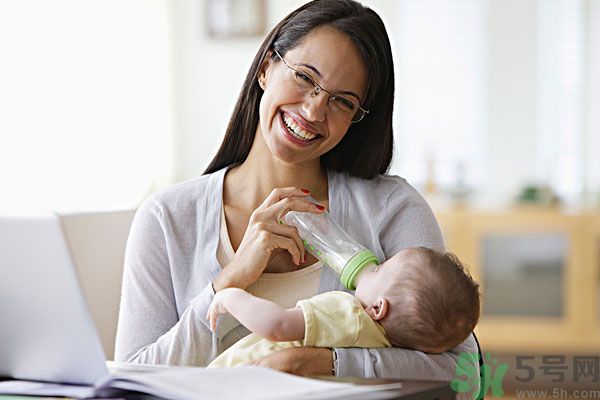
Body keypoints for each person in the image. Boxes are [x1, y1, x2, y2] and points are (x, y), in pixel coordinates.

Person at [115, 0, 481, 381]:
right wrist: (229, 279)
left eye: (342, 101)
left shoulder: (391, 208)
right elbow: (130, 381)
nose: (313, 111)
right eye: (305, 77)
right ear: (266, 68)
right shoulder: (167, 217)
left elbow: (467, 373)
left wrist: (322, 362)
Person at [206, 247, 481, 368]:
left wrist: (230, 297)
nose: (373, 266)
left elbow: (277, 326)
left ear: (378, 308)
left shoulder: (348, 313)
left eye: (381, 269)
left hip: (233, 378)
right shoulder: (385, 347)